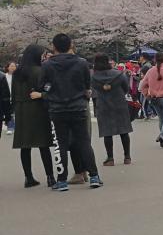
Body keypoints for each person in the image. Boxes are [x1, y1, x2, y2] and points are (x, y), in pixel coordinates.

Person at [35, 33, 102, 190]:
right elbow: (87, 84)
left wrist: (50, 90)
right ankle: (94, 176)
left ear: (54, 46)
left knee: (61, 144)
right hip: (78, 106)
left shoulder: (47, 65)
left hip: (57, 108)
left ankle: (62, 180)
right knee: (83, 142)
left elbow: (42, 85)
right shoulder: (81, 63)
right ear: (70, 45)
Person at [10, 46, 54, 188]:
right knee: (43, 144)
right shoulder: (40, 71)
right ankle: (50, 177)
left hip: (21, 110)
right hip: (38, 109)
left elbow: (13, 94)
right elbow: (48, 90)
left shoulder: (17, 73)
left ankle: (28, 177)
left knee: (25, 145)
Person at [91, 54, 134, 165]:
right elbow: (126, 88)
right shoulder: (119, 74)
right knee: (124, 131)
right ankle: (127, 157)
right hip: (119, 104)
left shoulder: (94, 77)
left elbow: (94, 88)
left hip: (104, 106)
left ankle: (110, 158)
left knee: (107, 132)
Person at [3, 60, 15, 134]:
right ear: (8, 67)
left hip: (15, 96)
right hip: (6, 97)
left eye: (14, 66)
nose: (13, 67)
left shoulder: (17, 77)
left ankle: (11, 126)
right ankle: (10, 126)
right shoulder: (4, 76)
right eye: (11, 66)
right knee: (8, 112)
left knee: (13, 112)